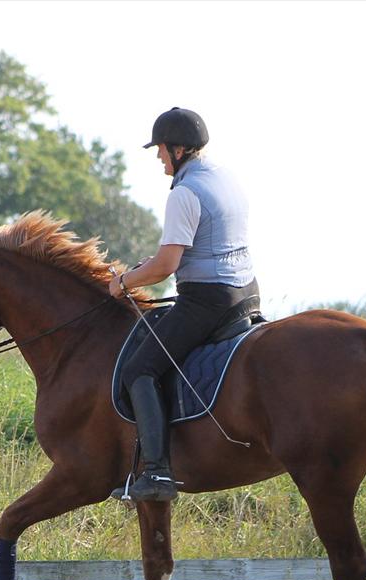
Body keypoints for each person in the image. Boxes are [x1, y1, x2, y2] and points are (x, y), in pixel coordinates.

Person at [108, 107, 259, 502]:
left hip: (208, 301)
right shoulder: (224, 177)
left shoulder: (184, 192)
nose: (158, 158)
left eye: (160, 150)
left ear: (177, 149)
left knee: (140, 368)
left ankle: (156, 473)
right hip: (247, 292)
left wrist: (123, 282)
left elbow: (166, 266)